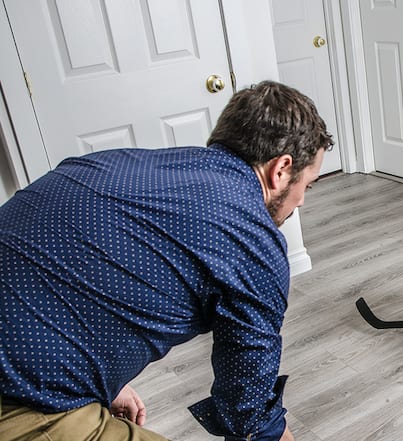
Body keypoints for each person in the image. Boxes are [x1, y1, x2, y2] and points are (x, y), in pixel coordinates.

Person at [0, 80, 333, 441]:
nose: (300, 201)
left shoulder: (114, 162)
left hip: (27, 361)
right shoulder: (251, 240)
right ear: (281, 168)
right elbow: (247, 412)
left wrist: (102, 384)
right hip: (22, 396)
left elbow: (52, 270)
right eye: (308, 184)